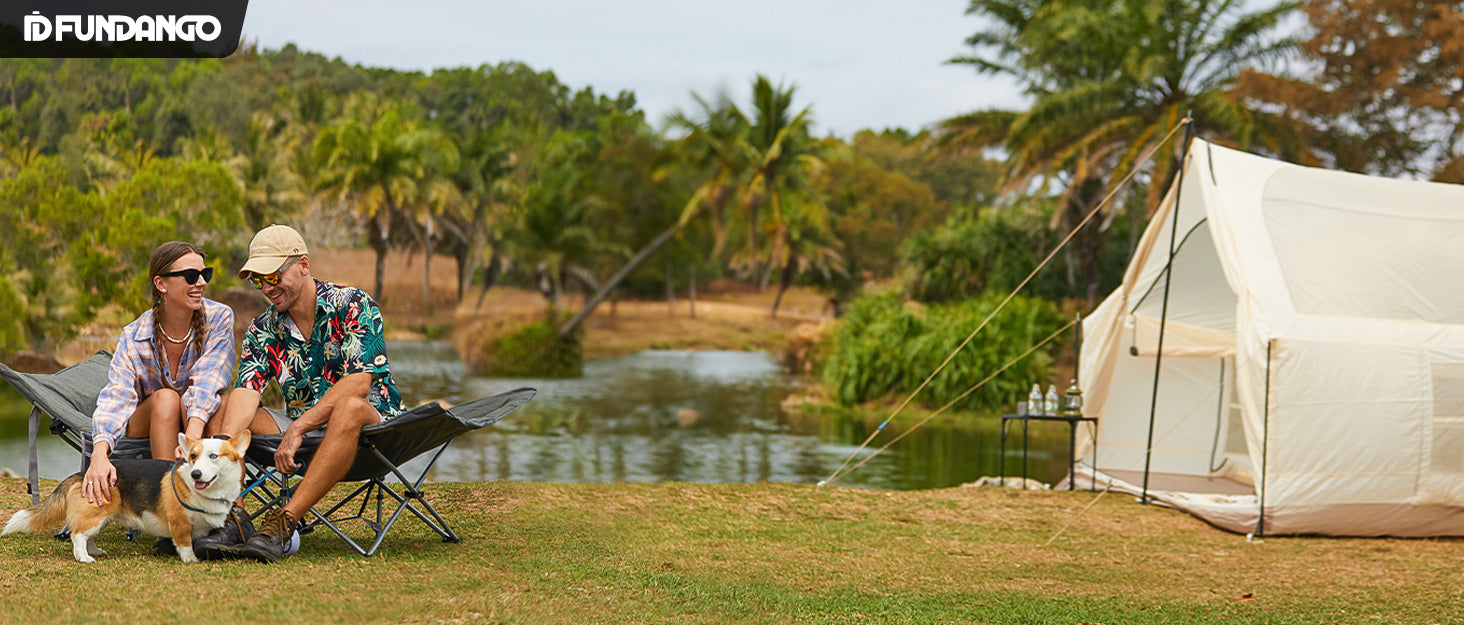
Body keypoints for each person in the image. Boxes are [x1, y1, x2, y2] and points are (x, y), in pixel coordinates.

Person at [216, 224, 405, 563]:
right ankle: (236, 518)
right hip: (307, 435)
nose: (267, 288)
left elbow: (359, 383)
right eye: (258, 281)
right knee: (226, 406)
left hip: (372, 430)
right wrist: (220, 451)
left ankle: (284, 522)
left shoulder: (353, 303)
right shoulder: (263, 329)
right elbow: (247, 391)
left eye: (273, 276)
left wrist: (299, 427)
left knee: (348, 405)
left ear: (303, 265)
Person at [82, 241, 236, 508]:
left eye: (205, 274)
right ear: (161, 284)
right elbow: (117, 397)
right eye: (191, 276)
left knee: (214, 402)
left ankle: (223, 510)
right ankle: (171, 507)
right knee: (166, 399)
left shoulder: (219, 318)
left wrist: (191, 441)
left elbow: (208, 381)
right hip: (151, 420)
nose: (201, 282)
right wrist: (99, 452)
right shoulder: (134, 334)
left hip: (197, 419)